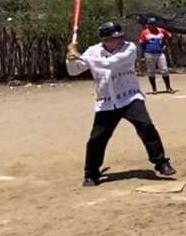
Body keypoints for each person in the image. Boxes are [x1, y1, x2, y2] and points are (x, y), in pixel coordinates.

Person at [68, 20, 176, 186]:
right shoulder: (93, 51)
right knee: (97, 138)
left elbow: (110, 64)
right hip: (106, 102)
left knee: (146, 126)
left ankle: (161, 163)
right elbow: (73, 71)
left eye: (120, 36)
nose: (119, 40)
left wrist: (82, 57)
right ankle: (91, 173)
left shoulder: (129, 48)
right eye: (115, 38)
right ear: (104, 39)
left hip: (130, 98)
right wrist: (70, 58)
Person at [138, 17, 175, 93]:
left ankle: (168, 87)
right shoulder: (145, 32)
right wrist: (142, 56)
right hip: (149, 53)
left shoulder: (161, 30)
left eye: (152, 24)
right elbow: (141, 44)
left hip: (160, 53)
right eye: (149, 24)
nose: (151, 26)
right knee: (151, 71)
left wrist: (165, 44)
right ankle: (154, 89)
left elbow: (170, 36)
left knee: (164, 69)